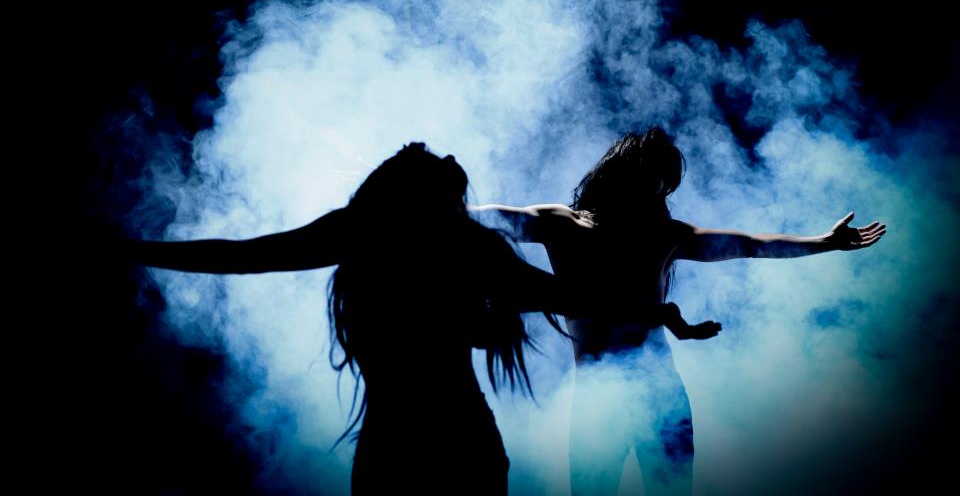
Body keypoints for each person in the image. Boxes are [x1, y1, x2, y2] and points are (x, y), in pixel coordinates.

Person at [128, 141, 717, 495]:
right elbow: (567, 298)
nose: (452, 166)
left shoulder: (401, 236)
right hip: (443, 445)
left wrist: (135, 251)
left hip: (418, 447)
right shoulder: (448, 242)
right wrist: (658, 313)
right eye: (440, 169)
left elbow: (245, 255)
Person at [472, 127, 885, 496]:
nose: (659, 194)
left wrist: (823, 242)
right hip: (597, 399)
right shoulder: (562, 225)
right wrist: (439, 201)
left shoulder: (665, 236)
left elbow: (751, 244)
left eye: (665, 186)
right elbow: (486, 220)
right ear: (625, 174)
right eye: (655, 180)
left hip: (662, 394)